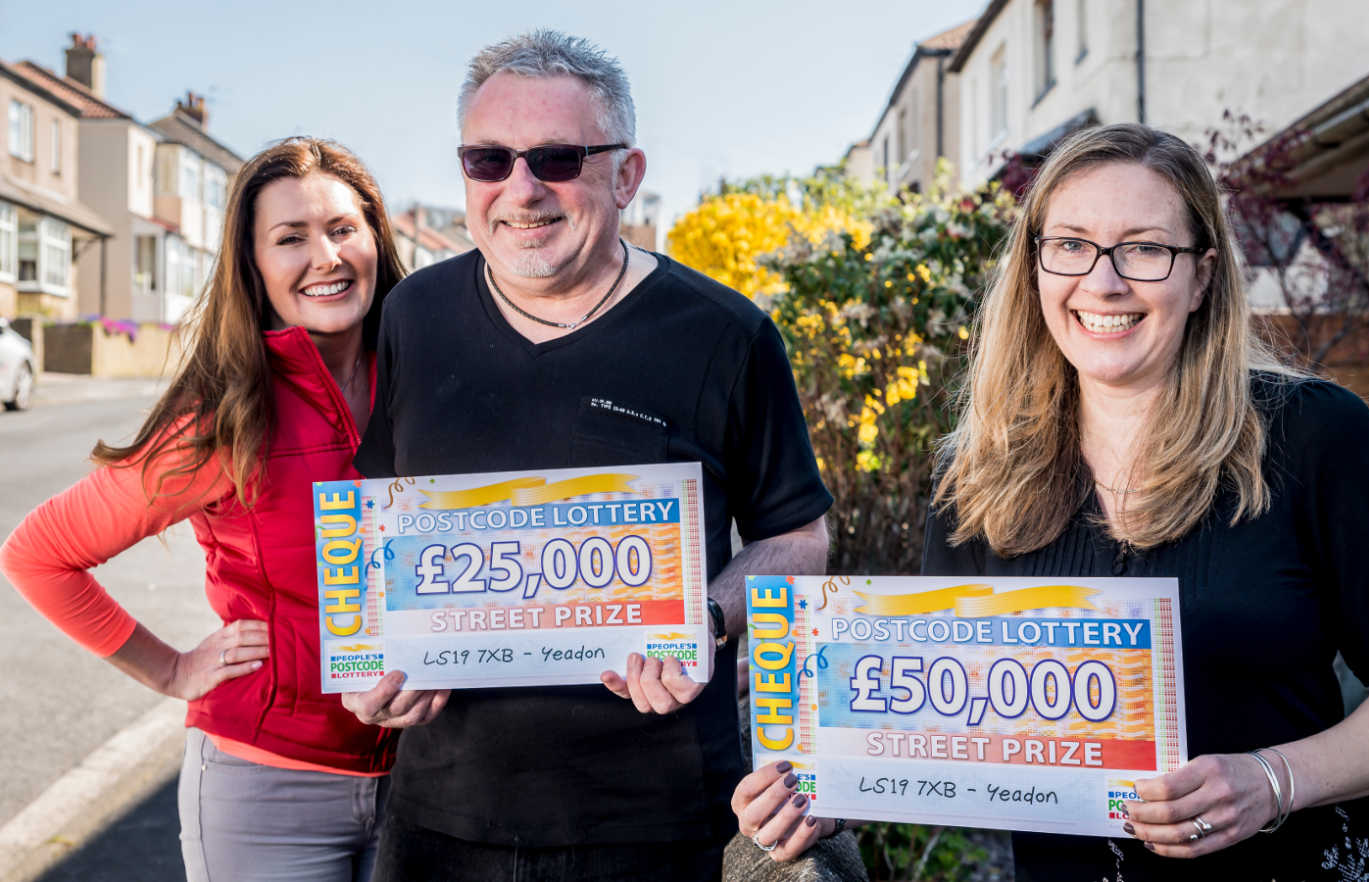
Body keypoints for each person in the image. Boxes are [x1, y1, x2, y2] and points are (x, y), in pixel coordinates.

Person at [732, 123, 1369, 880]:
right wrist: (831, 788)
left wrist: (1272, 781)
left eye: (1145, 248)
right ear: (1037, 266)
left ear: (1202, 276)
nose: (1103, 282)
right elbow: (949, 730)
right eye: (1071, 244)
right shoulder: (977, 479)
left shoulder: (1317, 437)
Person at [338, 29, 832, 882]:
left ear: (627, 175)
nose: (520, 190)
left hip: (655, 817)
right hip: (441, 813)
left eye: (557, 158)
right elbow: (374, 518)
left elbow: (799, 538)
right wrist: (365, 661)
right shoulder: (412, 316)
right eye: (488, 160)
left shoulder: (726, 334)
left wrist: (706, 624)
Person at [0, 137, 407, 882]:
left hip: (424, 786)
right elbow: (37, 555)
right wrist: (172, 670)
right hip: (267, 790)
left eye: (345, 228)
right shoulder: (223, 414)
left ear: (377, 238)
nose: (327, 256)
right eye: (290, 238)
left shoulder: (430, 383)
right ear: (253, 266)